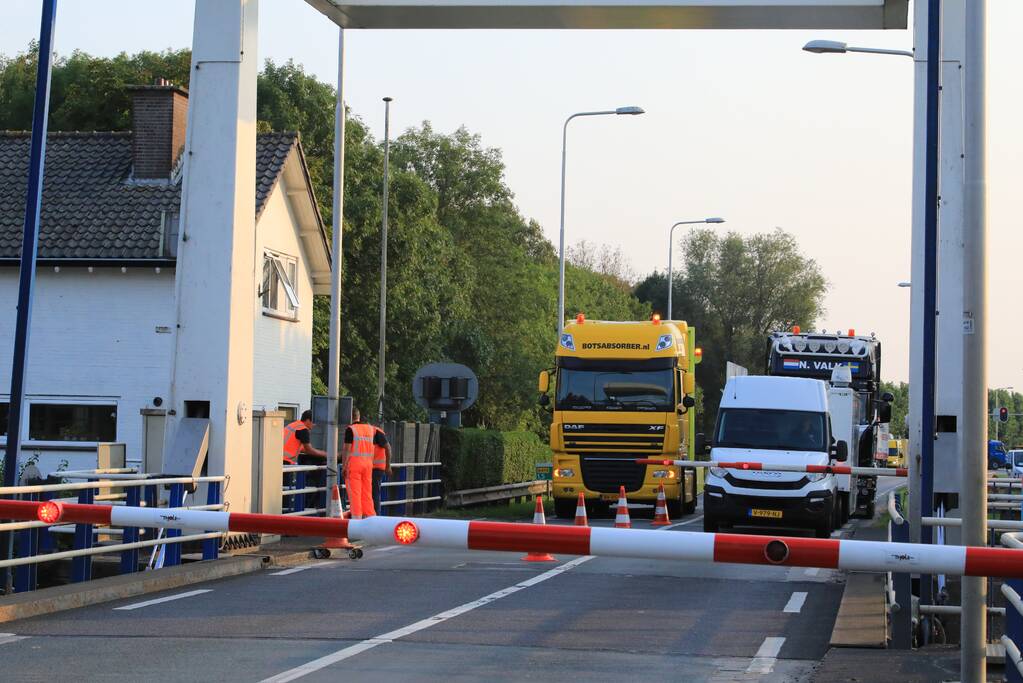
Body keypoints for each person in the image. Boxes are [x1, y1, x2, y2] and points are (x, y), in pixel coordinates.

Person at [342, 408, 387, 519]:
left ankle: (357, 519)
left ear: (349, 417)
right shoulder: (370, 429)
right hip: (368, 466)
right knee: (367, 494)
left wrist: (344, 467)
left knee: (355, 494)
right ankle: (371, 518)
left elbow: (347, 450)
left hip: (354, 466)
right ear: (358, 416)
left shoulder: (351, 429)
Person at [283, 410, 330, 509]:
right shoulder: (303, 429)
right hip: (285, 462)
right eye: (313, 422)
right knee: (287, 492)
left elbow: (302, 448)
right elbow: (309, 450)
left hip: (279, 461)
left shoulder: (294, 425)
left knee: (285, 490)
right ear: (308, 420)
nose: (314, 425)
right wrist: (326, 454)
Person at [371, 424, 393, 515]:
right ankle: (374, 515)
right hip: (371, 468)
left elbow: (388, 447)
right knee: (373, 493)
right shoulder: (374, 431)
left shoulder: (376, 432)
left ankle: (376, 515)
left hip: (376, 468)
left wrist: (388, 466)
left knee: (374, 493)